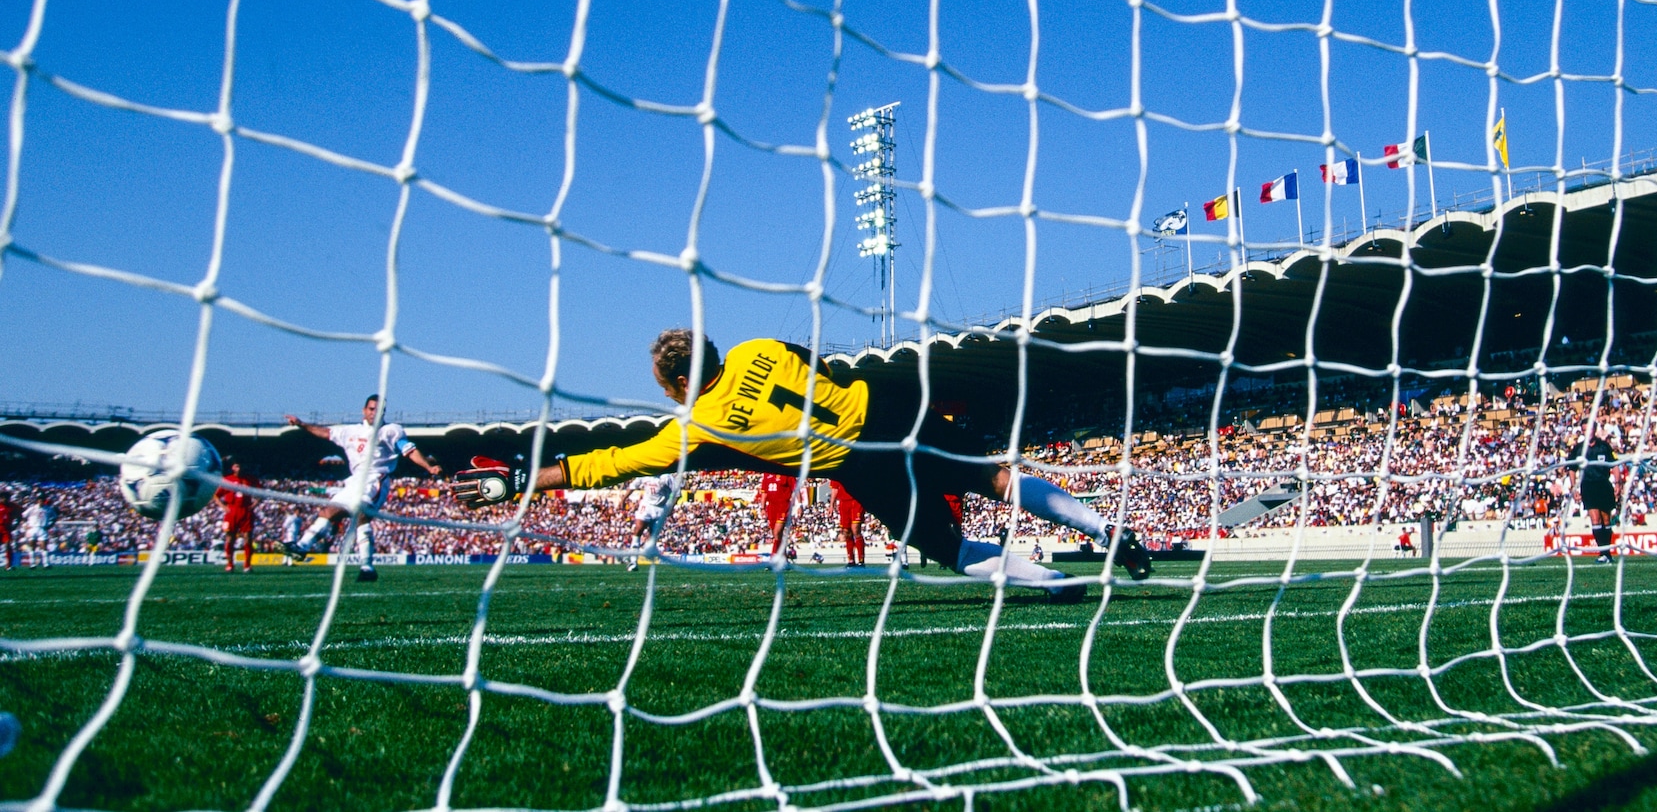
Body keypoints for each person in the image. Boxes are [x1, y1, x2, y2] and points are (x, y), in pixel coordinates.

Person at [455, 330, 1151, 599]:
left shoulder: (695, 423)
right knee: (992, 475)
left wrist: (525, 480)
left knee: (938, 544)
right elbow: (816, 361)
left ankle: (1054, 584)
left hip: (857, 459)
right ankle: (1103, 526)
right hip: (886, 399)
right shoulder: (759, 347)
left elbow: (613, 463)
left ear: (673, 386)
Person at [284, 394, 443, 582]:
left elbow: (409, 450)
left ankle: (367, 566)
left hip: (376, 478)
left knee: (361, 513)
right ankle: (302, 547)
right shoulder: (349, 431)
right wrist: (302, 424)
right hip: (354, 480)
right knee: (329, 511)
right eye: (371, 409)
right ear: (364, 410)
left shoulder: (390, 431)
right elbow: (325, 433)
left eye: (378, 410)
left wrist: (428, 466)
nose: (374, 413)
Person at [1571, 424, 1621, 565]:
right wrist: (1574, 487)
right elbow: (1572, 469)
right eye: (1585, 429)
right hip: (1588, 485)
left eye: (1590, 429)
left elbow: (1615, 464)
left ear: (1595, 430)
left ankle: (1607, 553)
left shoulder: (1604, 446)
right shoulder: (1579, 448)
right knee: (1595, 519)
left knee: (1606, 520)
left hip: (1603, 484)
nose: (1588, 432)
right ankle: (1602, 553)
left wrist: (1618, 483)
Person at [626, 473, 682, 571]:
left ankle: (651, 560)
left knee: (652, 537)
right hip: (646, 506)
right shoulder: (645, 475)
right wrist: (623, 499)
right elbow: (633, 486)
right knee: (638, 529)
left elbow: (677, 494)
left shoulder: (667, 477)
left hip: (660, 508)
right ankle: (633, 561)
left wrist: (671, 508)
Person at [215, 462, 259, 573]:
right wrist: (223, 507)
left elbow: (261, 493)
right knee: (230, 538)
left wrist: (254, 505)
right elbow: (216, 495)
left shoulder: (250, 479)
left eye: (241, 466)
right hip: (232, 511)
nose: (239, 469)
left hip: (245, 510)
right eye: (237, 466)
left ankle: (247, 566)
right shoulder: (227, 480)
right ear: (233, 467)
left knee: (248, 538)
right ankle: (230, 565)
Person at [759, 472, 797, 555]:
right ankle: (783, 557)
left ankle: (774, 557)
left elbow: (795, 489)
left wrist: (799, 505)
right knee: (776, 535)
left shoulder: (786, 473)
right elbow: (764, 492)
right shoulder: (766, 474)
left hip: (783, 505)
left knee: (777, 532)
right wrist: (762, 508)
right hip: (771, 506)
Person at [834, 481, 867, 567]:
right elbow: (834, 488)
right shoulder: (836, 471)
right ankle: (851, 560)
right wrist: (831, 504)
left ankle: (861, 561)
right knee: (846, 531)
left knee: (856, 529)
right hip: (843, 503)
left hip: (856, 501)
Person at [22, 494, 55, 569]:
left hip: (42, 528)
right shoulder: (32, 508)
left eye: (42, 500)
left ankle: (46, 564)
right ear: (37, 500)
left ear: (44, 501)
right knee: (32, 546)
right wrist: (25, 525)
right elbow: (23, 516)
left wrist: (50, 525)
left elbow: (54, 518)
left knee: (44, 546)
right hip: (32, 528)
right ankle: (32, 564)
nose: (41, 501)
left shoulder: (48, 509)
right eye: (39, 500)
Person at [0, 494, 13, 570]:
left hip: (6, 528)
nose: (5, 500)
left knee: (8, 545)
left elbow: (20, 514)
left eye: (7, 498)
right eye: (4, 498)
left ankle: (8, 565)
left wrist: (16, 523)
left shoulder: (12, 506)